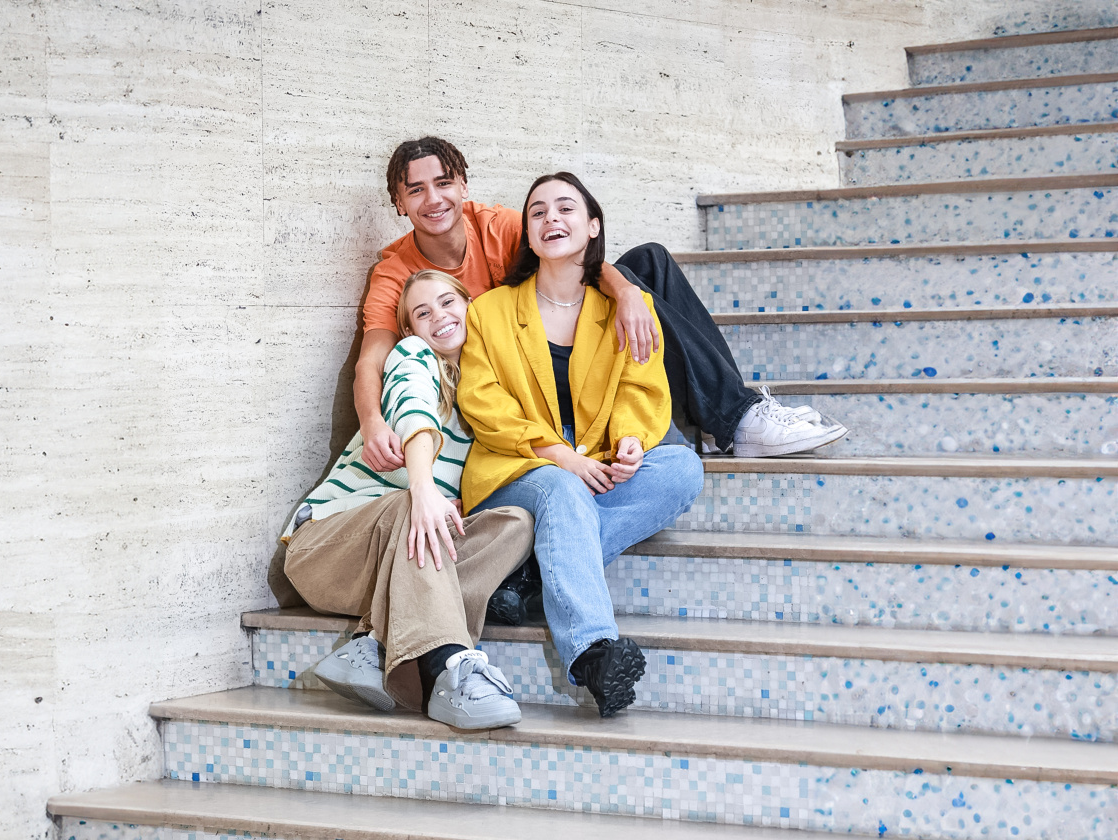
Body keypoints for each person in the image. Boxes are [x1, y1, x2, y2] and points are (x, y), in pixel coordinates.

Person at [354, 136, 845, 479]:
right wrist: (374, 423)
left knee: (647, 263)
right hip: (519, 375)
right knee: (632, 284)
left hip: (563, 335)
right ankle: (731, 417)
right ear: (398, 202)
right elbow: (370, 361)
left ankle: (733, 415)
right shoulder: (396, 269)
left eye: (442, 183)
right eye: (415, 189)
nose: (432, 198)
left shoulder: (502, 225)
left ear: (463, 186)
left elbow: (575, 261)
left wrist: (629, 293)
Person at [458, 172, 706, 718]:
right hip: (519, 463)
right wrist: (562, 456)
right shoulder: (490, 311)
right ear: (526, 235)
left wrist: (632, 443)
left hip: (595, 455)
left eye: (566, 208)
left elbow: (643, 387)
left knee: (682, 468)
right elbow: (483, 403)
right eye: (538, 212)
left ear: (593, 227)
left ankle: (532, 576)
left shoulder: (623, 307)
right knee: (563, 490)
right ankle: (594, 651)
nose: (552, 220)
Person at [273, 270, 534, 730]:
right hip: (323, 549)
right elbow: (414, 411)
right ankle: (449, 671)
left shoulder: (486, 390)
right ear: (411, 329)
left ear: (470, 305)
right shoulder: (412, 356)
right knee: (410, 509)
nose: (440, 317)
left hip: (395, 560)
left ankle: (374, 643)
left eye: (449, 302)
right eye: (423, 312)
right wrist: (424, 487)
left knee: (515, 521)